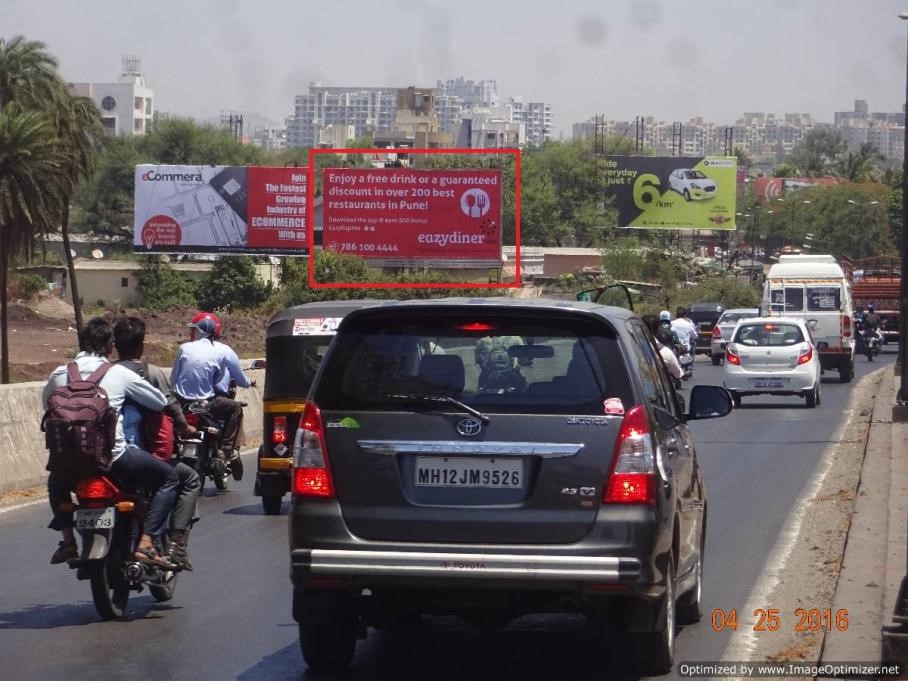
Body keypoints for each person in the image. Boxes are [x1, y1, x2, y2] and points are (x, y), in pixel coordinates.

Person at [44, 318, 179, 568]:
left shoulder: (60, 374)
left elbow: (47, 407)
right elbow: (159, 402)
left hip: (69, 462)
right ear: (110, 346)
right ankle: (147, 542)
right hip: (114, 458)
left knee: (55, 485)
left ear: (81, 343)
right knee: (169, 478)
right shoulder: (118, 374)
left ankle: (68, 541)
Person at [114, 317, 201, 571]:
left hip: (108, 455)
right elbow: (170, 404)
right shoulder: (149, 372)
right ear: (141, 345)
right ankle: (176, 545)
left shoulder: (106, 373)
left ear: (115, 345)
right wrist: (186, 426)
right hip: (141, 454)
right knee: (189, 479)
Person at [170, 312, 256, 470]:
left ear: (199, 331)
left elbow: (173, 379)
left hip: (182, 402)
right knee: (236, 408)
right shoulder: (222, 351)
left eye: (194, 330)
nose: (192, 334)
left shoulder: (183, 348)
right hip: (207, 402)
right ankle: (225, 450)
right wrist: (251, 382)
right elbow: (237, 380)